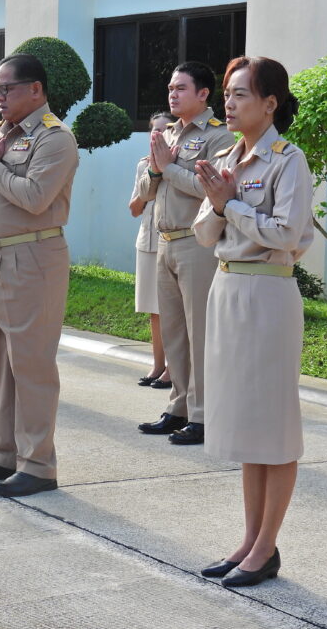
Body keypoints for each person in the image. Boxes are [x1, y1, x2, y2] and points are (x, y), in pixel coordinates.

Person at [193, 56, 313, 587]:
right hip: (226, 287)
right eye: (227, 93)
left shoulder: (289, 161)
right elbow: (203, 233)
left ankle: (266, 548)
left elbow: (286, 234)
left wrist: (231, 207)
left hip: (267, 292)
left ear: (269, 103)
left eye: (240, 93)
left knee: (273, 424)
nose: (229, 102)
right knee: (245, 421)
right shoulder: (226, 157)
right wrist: (220, 205)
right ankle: (248, 541)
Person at [0, 53, 79, 498]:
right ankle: (4, 453)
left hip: (31, 258)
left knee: (30, 366)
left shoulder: (55, 138)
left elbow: (35, 197)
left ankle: (38, 464)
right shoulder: (0, 134)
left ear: (36, 90)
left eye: (7, 88)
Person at [134, 62, 235, 445]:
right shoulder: (167, 134)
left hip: (197, 243)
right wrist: (156, 171)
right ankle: (178, 407)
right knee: (174, 332)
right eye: (170, 88)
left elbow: (210, 187)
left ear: (203, 94)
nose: (172, 94)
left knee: (199, 332)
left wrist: (168, 168)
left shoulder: (219, 135)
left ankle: (204, 415)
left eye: (181, 88)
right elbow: (145, 191)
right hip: (165, 241)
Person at [129, 111, 174, 389]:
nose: (159, 135)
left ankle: (173, 368)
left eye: (166, 130)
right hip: (147, 241)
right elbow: (134, 208)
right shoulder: (143, 165)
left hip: (172, 241)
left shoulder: (179, 164)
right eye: (154, 130)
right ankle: (158, 364)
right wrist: (149, 183)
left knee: (172, 309)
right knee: (153, 310)